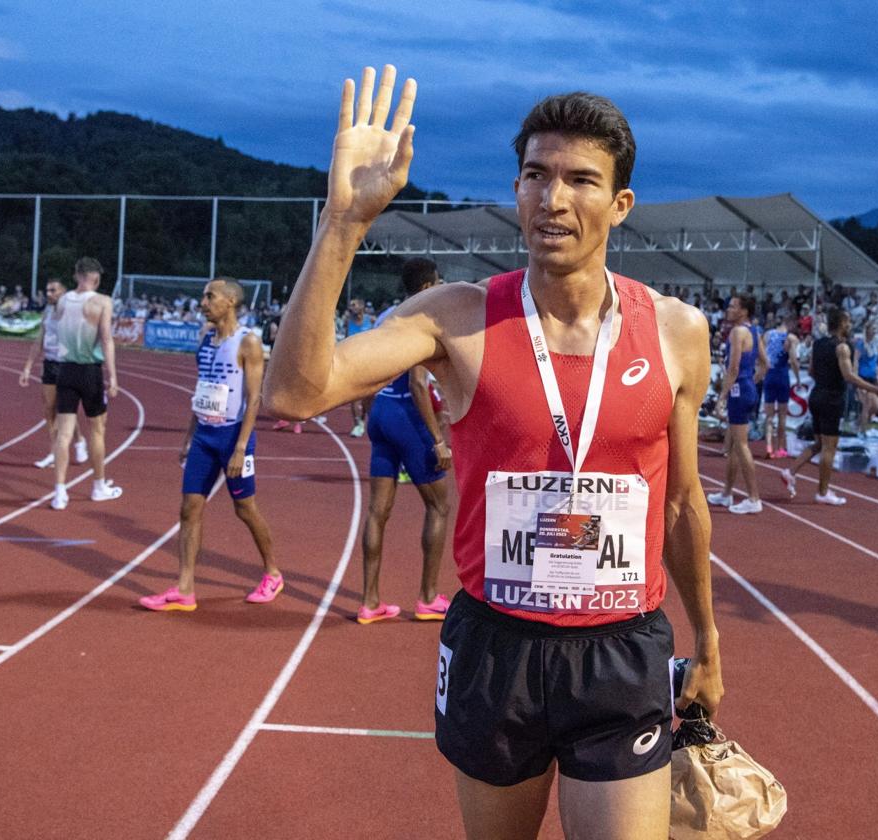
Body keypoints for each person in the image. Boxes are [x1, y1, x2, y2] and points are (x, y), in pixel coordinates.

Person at [264, 66, 722, 840]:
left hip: (620, 648)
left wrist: (709, 641)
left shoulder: (676, 331)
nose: (554, 199)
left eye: (581, 180)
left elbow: (681, 503)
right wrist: (343, 223)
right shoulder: (458, 319)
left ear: (620, 204)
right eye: (536, 176)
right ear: (516, 189)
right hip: (497, 646)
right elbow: (295, 393)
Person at [139, 278, 283, 611]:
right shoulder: (205, 339)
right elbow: (202, 389)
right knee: (189, 508)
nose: (202, 302)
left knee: (244, 509)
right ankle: (185, 589)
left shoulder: (248, 342)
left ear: (230, 301)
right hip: (204, 435)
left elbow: (253, 399)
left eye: (209, 296)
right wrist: (189, 437)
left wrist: (240, 447)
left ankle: (272, 572)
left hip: (233, 436)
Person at [359, 257, 453, 624]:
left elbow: (366, 371)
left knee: (376, 512)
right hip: (405, 415)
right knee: (439, 507)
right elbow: (417, 383)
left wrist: (371, 414)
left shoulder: (385, 317)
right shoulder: (420, 319)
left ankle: (370, 601)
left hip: (381, 413)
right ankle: (428, 597)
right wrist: (437, 440)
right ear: (428, 287)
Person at [781, 308, 878, 505]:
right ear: (841, 323)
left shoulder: (818, 343)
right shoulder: (842, 347)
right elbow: (848, 376)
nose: (850, 325)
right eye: (848, 321)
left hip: (816, 395)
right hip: (832, 398)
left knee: (818, 443)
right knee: (829, 447)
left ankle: (790, 472)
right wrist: (877, 390)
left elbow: (814, 370)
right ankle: (823, 492)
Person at [49, 257, 123, 510]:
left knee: (64, 433)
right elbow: (106, 339)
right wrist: (112, 376)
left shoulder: (62, 301)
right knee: (97, 430)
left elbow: (57, 330)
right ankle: (98, 485)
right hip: (90, 371)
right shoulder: (102, 302)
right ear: (96, 277)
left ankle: (59, 492)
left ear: (76, 275)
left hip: (65, 370)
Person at [19, 277, 89, 469]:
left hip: (67, 364)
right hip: (50, 364)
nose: (48, 294)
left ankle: (79, 441)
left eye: (52, 291)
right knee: (50, 410)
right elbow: (38, 341)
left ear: (63, 293)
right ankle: (55, 451)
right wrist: (27, 367)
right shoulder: (47, 312)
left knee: (65, 410)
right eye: (47, 291)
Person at [708, 294, 767, 514]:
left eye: (733, 307)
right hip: (747, 389)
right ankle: (726, 493)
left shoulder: (737, 332)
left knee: (741, 446)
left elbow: (732, 369)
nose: (728, 309)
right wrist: (752, 382)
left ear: (744, 311)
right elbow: (765, 364)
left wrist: (722, 397)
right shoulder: (754, 331)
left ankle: (754, 497)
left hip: (738, 391)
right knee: (733, 445)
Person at [760, 313, 801, 458]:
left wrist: (761, 372)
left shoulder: (767, 335)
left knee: (769, 416)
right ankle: (780, 448)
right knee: (782, 416)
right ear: (790, 323)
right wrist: (798, 379)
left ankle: (769, 446)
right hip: (782, 376)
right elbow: (794, 361)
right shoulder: (791, 338)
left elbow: (761, 356)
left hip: (769, 376)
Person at [343, 297, 375, 436]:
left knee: (368, 396)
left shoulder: (371, 321)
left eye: (354, 305)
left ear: (362, 307)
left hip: (369, 363)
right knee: (354, 396)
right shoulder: (348, 322)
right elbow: (345, 340)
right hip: (353, 364)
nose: (351, 308)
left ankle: (363, 421)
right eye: (350, 305)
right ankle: (357, 424)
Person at [853, 320, 878, 435]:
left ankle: (858, 423)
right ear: (867, 330)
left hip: (872, 377)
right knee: (867, 404)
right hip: (862, 377)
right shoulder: (861, 344)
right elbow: (856, 360)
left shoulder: (874, 345)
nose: (875, 331)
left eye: (876, 329)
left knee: (875, 407)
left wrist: (877, 374)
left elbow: (875, 362)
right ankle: (863, 431)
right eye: (873, 329)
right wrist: (855, 376)